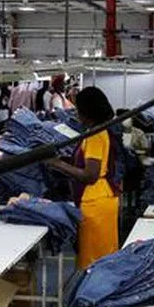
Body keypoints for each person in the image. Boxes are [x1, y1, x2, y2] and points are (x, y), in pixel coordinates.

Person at [47, 86, 120, 269]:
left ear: (87, 111)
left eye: (78, 109)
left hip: (95, 202)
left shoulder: (95, 135)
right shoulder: (99, 131)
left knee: (94, 262)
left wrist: (58, 164)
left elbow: (90, 175)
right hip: (102, 198)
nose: (76, 113)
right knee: (103, 257)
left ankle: (95, 295)